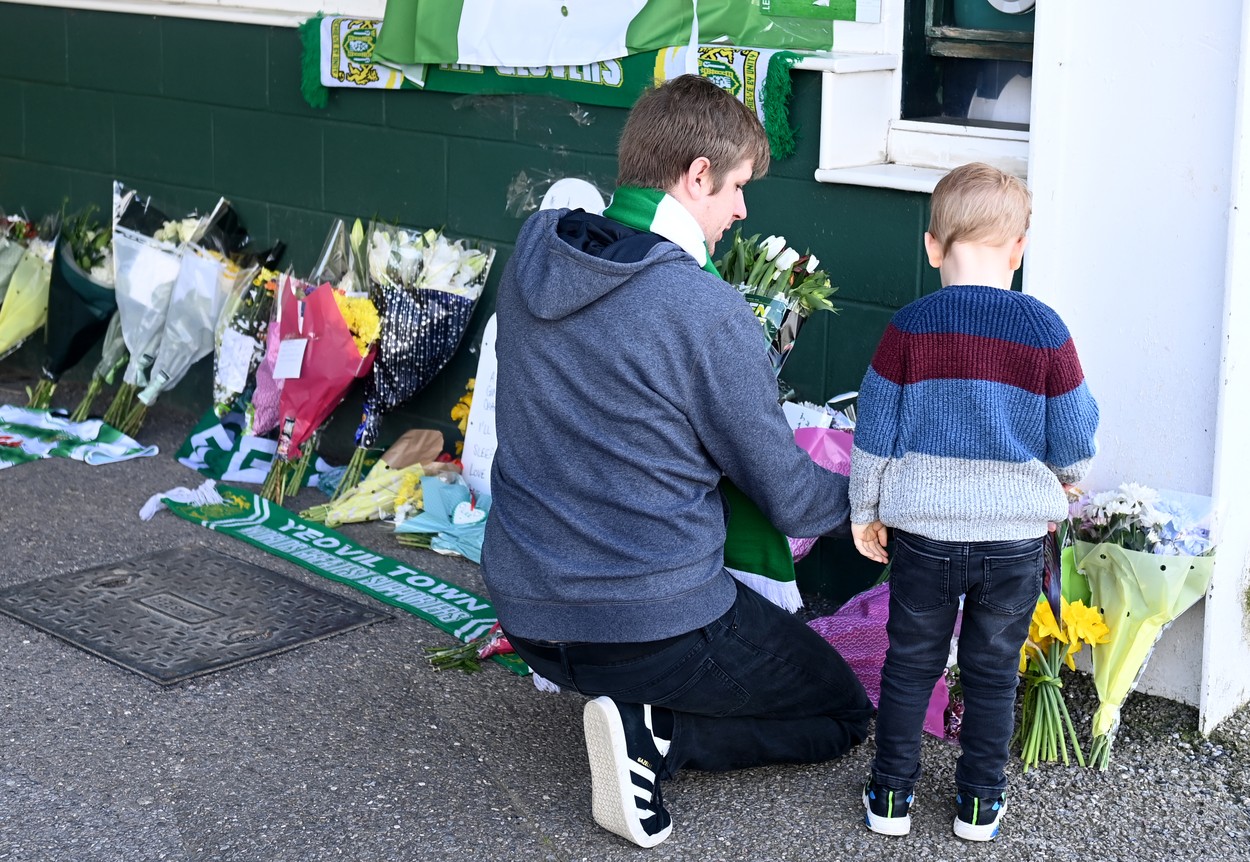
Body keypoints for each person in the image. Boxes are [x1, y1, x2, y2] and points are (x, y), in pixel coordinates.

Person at [480, 74, 873, 849]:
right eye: (735, 189)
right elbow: (791, 498)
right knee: (842, 713)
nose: (742, 211)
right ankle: (655, 735)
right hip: (643, 623)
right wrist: (888, 497)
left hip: (525, 608)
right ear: (696, 175)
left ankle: (629, 708)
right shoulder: (704, 308)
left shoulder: (535, 247)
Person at [849, 161, 1100, 842]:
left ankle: (892, 798)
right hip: (1013, 541)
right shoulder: (1046, 329)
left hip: (924, 536)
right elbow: (1074, 434)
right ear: (1018, 251)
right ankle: (978, 805)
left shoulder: (908, 327)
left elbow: (874, 428)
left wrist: (864, 510)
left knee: (911, 664)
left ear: (931, 246)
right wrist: (1065, 476)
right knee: (993, 673)